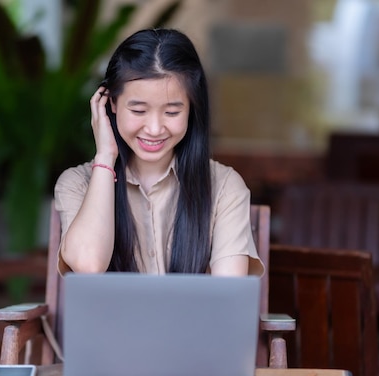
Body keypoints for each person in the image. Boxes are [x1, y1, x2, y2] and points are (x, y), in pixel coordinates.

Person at [54, 28, 264, 277]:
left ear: (191, 109)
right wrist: (105, 158)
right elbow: (88, 266)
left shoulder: (224, 186)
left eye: (172, 112)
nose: (154, 129)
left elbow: (229, 297)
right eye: (139, 111)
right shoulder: (77, 184)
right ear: (110, 103)